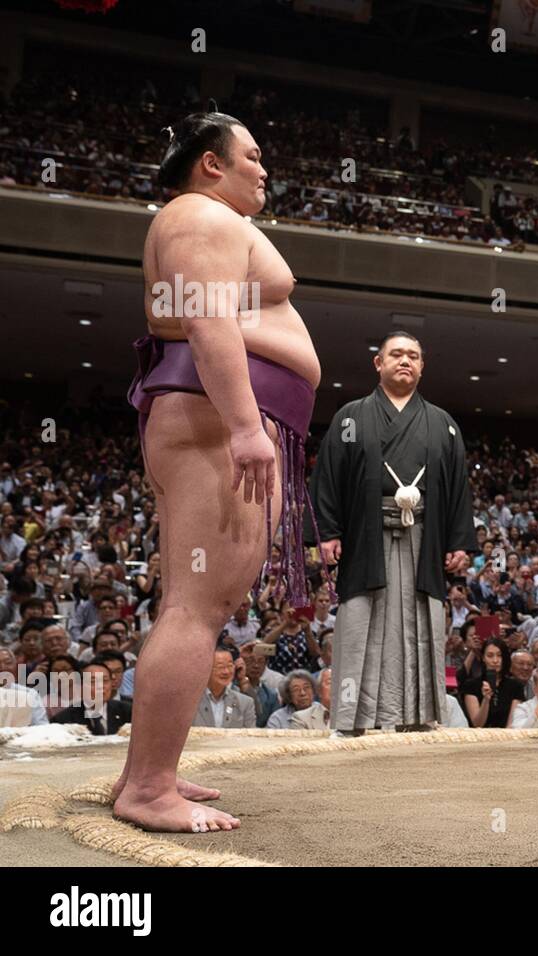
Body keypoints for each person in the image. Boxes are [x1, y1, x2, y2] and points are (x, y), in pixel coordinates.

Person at [114, 111, 322, 832]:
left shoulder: (195, 218)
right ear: (210, 164)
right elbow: (206, 319)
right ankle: (147, 788)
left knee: (190, 602)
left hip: (205, 416)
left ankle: (150, 771)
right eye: (253, 156)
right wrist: (243, 426)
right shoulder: (201, 216)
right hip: (212, 419)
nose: (264, 170)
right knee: (196, 608)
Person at [310, 331, 477, 734]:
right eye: (397, 354)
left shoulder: (443, 425)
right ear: (378, 364)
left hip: (425, 535)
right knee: (358, 624)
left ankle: (416, 716)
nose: (405, 361)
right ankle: (351, 718)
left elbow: (458, 486)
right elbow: (328, 477)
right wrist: (328, 533)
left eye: (414, 356)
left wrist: (458, 540)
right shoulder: (351, 417)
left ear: (422, 366)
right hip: (366, 535)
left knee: (422, 623)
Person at [52, 659, 132, 735]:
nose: (100, 686)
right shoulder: (63, 720)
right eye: (93, 681)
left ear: (111, 684)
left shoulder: (128, 712)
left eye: (105, 681)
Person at [461, 637, 525, 728]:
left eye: (499, 655)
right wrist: (486, 699)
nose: (495, 661)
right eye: (490, 656)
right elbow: (477, 724)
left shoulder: (515, 686)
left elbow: (512, 724)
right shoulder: (471, 685)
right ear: (483, 658)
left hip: (507, 737)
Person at [191, 647, 256, 729]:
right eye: (220, 667)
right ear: (206, 668)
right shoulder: (190, 702)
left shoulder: (245, 703)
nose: (226, 671)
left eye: (230, 666)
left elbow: (251, 738)